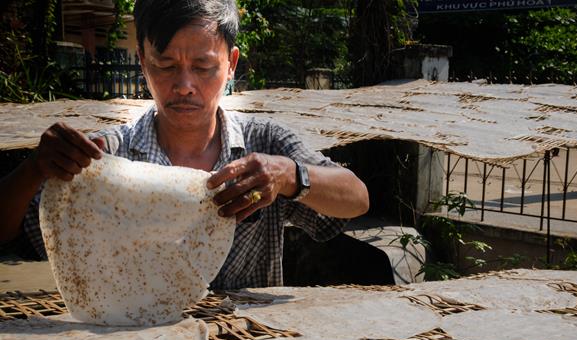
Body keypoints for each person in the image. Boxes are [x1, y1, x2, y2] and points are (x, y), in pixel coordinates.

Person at [0, 0, 369, 290]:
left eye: (203, 66)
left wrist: (289, 175)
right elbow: (10, 231)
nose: (184, 85)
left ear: (231, 65)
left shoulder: (266, 144)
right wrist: (34, 168)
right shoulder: (107, 157)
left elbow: (356, 198)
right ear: (143, 62)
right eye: (165, 65)